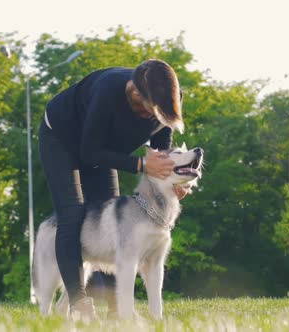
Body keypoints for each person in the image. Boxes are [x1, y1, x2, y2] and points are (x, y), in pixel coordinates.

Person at [38, 59, 189, 318]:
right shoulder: (107, 91)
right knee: (72, 214)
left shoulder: (165, 101)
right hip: (62, 139)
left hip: (105, 149)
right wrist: (141, 163)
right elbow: (88, 151)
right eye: (148, 110)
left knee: (112, 223)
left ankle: (116, 307)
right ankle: (78, 302)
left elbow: (162, 148)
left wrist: (172, 181)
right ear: (134, 91)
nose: (151, 117)